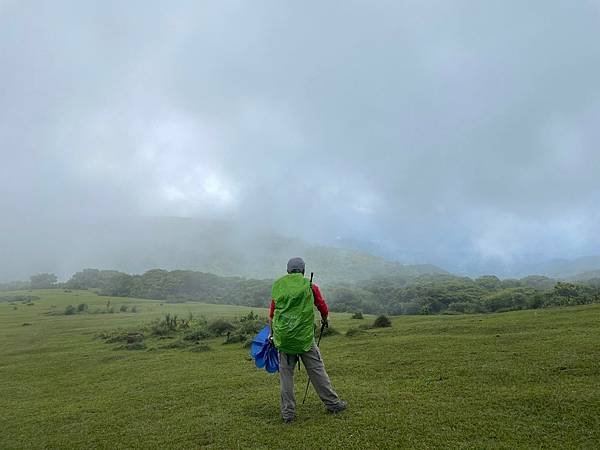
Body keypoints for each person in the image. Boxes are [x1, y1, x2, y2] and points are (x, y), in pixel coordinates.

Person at [268, 257, 347, 423]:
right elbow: (322, 307)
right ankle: (333, 404)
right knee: (317, 370)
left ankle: (287, 414)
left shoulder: (279, 286)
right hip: (304, 339)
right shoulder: (310, 286)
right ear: (303, 271)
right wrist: (324, 320)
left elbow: (272, 314)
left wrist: (272, 334)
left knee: (286, 377)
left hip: (284, 339)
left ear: (288, 271)